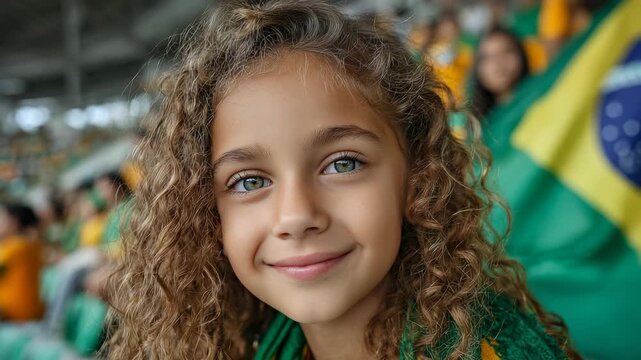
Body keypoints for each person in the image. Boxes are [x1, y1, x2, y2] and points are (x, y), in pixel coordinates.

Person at [103, 1, 578, 359]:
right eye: (248, 181)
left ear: (418, 179)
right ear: (208, 215)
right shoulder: (269, 344)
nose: (296, 216)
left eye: (342, 164)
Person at [471, 27, 530, 117]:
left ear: (521, 55)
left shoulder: (543, 97)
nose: (497, 62)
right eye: (487, 58)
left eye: (506, 52)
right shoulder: (478, 125)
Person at [0, 203, 44, 321]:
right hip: (23, 313)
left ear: (13, 222)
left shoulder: (17, 247)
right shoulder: (28, 244)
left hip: (16, 316)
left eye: (2, 219)